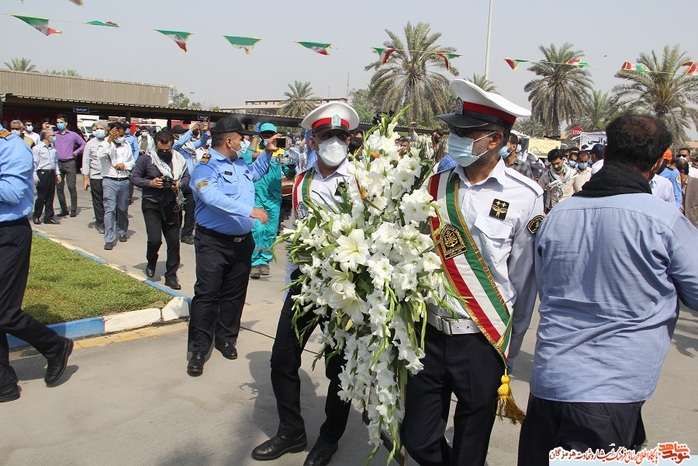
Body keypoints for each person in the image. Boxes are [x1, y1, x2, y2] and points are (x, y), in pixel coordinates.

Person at [517, 114, 698, 465]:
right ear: (659, 163)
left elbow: (545, 288)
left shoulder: (559, 216)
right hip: (610, 393)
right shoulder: (664, 221)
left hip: (550, 383)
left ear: (608, 152)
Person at [400, 79, 544, 466]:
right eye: (453, 130)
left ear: (494, 139)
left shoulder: (526, 196)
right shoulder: (434, 185)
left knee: (471, 445)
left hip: (482, 338)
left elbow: (523, 279)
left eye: (464, 133)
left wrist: (511, 343)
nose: (454, 139)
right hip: (429, 333)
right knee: (416, 438)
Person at [251, 102, 360, 466]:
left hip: (344, 290)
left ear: (350, 140)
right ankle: (291, 431)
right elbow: (297, 236)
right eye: (327, 135)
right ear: (313, 141)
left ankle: (329, 438)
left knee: (338, 366)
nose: (335, 142)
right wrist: (291, 284)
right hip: (305, 284)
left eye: (341, 135)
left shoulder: (361, 181)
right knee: (282, 359)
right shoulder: (301, 181)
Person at [186, 116, 270, 377]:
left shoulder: (240, 163)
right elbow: (210, 196)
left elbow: (254, 174)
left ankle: (225, 338)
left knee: (234, 294)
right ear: (230, 140)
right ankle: (198, 349)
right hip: (213, 242)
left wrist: (267, 154)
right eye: (241, 138)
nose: (244, 142)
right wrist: (249, 210)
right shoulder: (205, 165)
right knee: (207, 294)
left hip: (242, 242)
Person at [0, 122, 74, 403]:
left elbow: (12, 193)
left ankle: (55, 346)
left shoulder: (12, 147)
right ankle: (4, 384)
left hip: (8, 234)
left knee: (4, 312)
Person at [131, 129, 189, 290]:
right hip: (152, 205)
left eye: (167, 150)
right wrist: (150, 183)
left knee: (174, 243)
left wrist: (180, 184)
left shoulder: (179, 159)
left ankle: (171, 275)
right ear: (155, 146)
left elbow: (187, 177)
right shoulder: (146, 159)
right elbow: (134, 177)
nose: (164, 153)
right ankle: (151, 260)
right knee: (154, 239)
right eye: (161, 150)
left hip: (173, 205)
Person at [248, 122, 292, 280]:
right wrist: (254, 142)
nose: (268, 137)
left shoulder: (281, 152)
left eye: (270, 134)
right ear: (261, 136)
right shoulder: (255, 149)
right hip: (256, 196)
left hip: (273, 198)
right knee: (257, 230)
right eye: (265, 134)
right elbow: (245, 159)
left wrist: (292, 166)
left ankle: (264, 261)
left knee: (270, 232)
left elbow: (289, 172)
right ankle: (254, 262)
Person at [98, 121, 134, 250]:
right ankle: (109, 238)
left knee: (122, 209)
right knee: (110, 209)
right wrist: (109, 141)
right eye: (116, 132)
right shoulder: (104, 144)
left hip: (124, 180)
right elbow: (100, 155)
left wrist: (125, 165)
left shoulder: (126, 145)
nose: (119, 135)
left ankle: (123, 230)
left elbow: (131, 161)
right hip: (109, 180)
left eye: (121, 133)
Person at [173, 122, 210, 245]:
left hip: (191, 181)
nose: (182, 135)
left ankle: (186, 234)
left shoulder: (189, 146)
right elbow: (179, 143)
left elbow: (202, 142)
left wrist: (204, 131)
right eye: (180, 133)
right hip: (179, 180)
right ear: (174, 135)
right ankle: (174, 232)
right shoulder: (174, 146)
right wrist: (190, 131)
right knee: (177, 209)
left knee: (191, 210)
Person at [53, 114, 85, 218]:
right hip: (58, 163)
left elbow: (84, 144)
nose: (59, 124)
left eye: (61, 122)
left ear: (66, 123)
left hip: (70, 162)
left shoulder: (73, 135)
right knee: (59, 188)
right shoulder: (54, 135)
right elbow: (44, 139)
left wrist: (77, 152)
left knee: (71, 186)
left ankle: (73, 209)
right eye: (58, 122)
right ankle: (64, 209)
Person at [82, 121, 108, 234]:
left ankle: (110, 221)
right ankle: (100, 223)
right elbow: (86, 161)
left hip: (108, 176)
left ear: (106, 130)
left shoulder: (110, 142)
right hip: (96, 176)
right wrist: (85, 177)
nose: (98, 131)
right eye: (97, 129)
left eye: (101, 128)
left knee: (109, 201)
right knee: (98, 201)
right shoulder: (90, 144)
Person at [32, 127, 61, 225]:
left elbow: (55, 162)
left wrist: (57, 173)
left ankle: (49, 217)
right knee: (41, 196)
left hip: (51, 173)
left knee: (50, 196)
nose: (54, 137)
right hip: (42, 173)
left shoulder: (53, 149)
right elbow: (34, 164)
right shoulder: (37, 148)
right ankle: (37, 216)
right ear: (47, 137)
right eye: (52, 135)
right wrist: (35, 177)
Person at [538, 148, 576, 212]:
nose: (556, 166)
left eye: (558, 163)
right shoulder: (546, 176)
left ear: (563, 160)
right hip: (552, 209)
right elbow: (539, 191)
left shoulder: (572, 174)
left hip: (568, 208)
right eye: (553, 164)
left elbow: (578, 191)